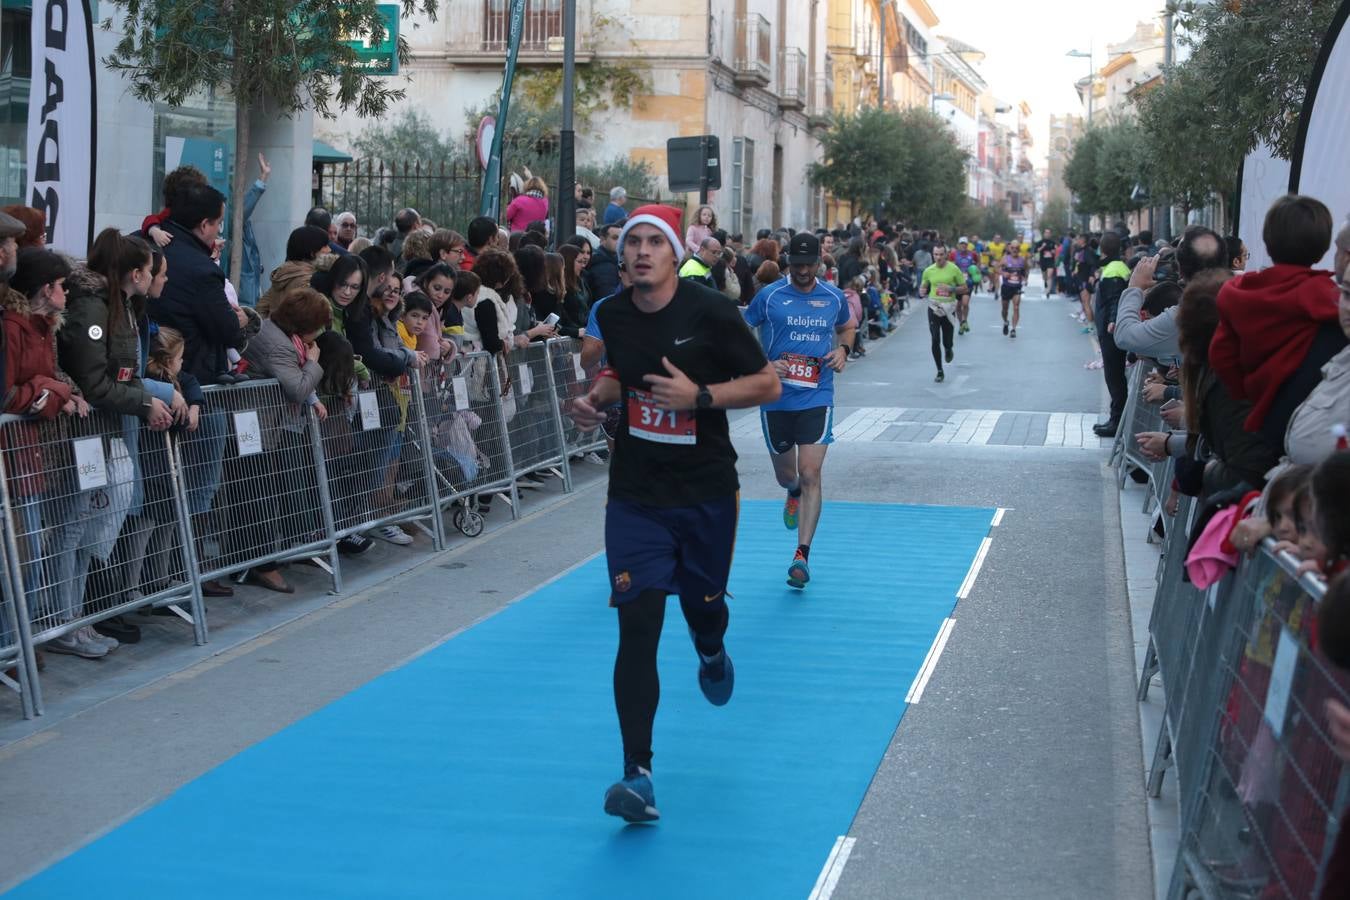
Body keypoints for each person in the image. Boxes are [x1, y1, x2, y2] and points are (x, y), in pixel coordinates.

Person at [568, 204, 780, 824]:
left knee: (702, 608)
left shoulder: (709, 310)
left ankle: (712, 649)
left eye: (651, 243)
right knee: (638, 623)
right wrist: (594, 400)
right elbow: (616, 376)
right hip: (636, 493)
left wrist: (701, 397)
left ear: (671, 253)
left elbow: (767, 384)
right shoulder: (610, 314)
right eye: (629, 242)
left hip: (706, 492)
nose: (638, 252)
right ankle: (638, 774)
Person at [742, 232, 854, 588]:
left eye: (809, 265)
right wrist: (763, 363)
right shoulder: (770, 296)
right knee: (787, 477)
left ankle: (802, 555)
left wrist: (843, 351)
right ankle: (791, 493)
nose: (803, 271)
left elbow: (847, 327)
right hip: (775, 398)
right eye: (797, 265)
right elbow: (740, 331)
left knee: (810, 474)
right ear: (788, 262)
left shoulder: (833, 297)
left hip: (816, 397)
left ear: (819, 264)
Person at [1211, 195, 1347, 452]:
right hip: (1305, 412)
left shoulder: (1235, 293)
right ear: (1323, 247)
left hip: (1257, 413)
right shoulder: (1321, 293)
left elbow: (1221, 356)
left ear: (1267, 240)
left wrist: (1245, 391)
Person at [1091, 233, 1132, 437]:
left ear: (1104, 249)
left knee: (1114, 377)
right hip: (1111, 329)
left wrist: (1113, 321)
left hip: (1111, 331)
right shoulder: (1115, 267)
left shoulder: (1114, 270)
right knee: (1115, 377)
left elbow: (1115, 298)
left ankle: (1117, 421)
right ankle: (1115, 418)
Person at [256, 225, 329, 319]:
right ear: (312, 252)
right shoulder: (308, 280)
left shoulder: (285, 273)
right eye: (325, 246)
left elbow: (261, 308)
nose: (329, 250)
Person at [919, 244, 966, 383]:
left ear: (946, 255)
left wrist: (951, 288)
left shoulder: (954, 269)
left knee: (947, 340)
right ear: (933, 255)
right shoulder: (928, 270)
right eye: (936, 254)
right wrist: (922, 292)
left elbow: (964, 288)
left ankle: (948, 348)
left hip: (949, 308)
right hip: (934, 307)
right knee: (934, 339)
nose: (938, 257)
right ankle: (939, 370)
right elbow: (923, 287)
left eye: (941, 254)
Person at [585, 220, 623, 301]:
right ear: (602, 240)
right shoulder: (603, 265)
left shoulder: (614, 260)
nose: (619, 242)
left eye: (622, 238)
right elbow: (608, 296)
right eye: (615, 238)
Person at [1000, 241, 1029, 338]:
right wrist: (1003, 273)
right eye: (1012, 248)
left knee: (1016, 307)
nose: (1015, 250)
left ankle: (1013, 329)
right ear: (1009, 249)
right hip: (1006, 287)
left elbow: (1026, 269)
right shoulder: (1005, 259)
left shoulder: (1022, 260)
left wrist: (1025, 278)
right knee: (1005, 309)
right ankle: (1006, 322)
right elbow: (997, 268)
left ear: (1019, 249)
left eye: (1017, 248)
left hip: (1017, 287)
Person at [952, 237, 979, 333]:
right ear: (958, 245)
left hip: (968, 283)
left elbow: (977, 265)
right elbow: (949, 266)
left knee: (965, 303)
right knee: (958, 306)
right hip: (957, 284)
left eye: (965, 244)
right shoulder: (954, 254)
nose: (963, 245)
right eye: (961, 243)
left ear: (967, 245)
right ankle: (961, 324)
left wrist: (976, 274)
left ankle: (964, 320)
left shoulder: (973, 254)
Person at [1035, 228, 1059, 296]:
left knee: (1049, 275)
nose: (1047, 234)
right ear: (1044, 234)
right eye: (1046, 233)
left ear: (1050, 234)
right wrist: (1042, 247)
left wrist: (1054, 252)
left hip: (1050, 261)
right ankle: (1045, 282)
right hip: (1043, 261)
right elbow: (1036, 251)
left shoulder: (1053, 243)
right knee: (1044, 277)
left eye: (1048, 233)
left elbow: (1057, 251)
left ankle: (1048, 290)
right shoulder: (1040, 242)